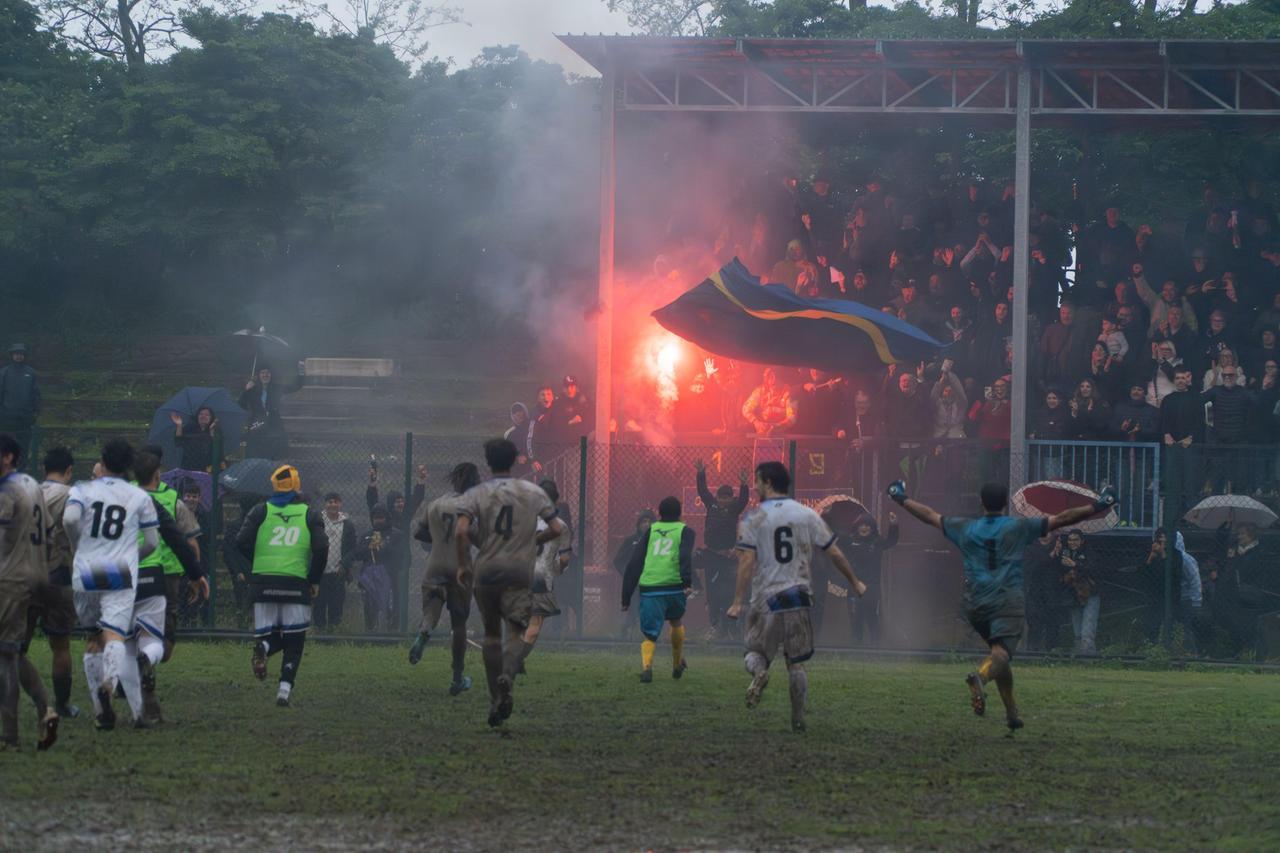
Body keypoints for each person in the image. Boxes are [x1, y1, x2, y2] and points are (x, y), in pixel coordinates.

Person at [888, 477, 1115, 731]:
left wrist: (900, 498)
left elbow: (929, 515)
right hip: (1007, 600)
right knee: (1001, 654)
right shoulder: (1017, 527)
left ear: (981, 503)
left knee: (1000, 654)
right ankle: (981, 678)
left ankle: (1011, 713)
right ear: (1006, 504)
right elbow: (1062, 518)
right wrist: (1098, 505)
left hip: (975, 602)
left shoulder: (965, 527)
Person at [727, 462, 866, 733]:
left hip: (765, 598)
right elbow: (834, 552)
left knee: (755, 654)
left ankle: (760, 674)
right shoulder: (807, 515)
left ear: (767, 482)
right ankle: (798, 718)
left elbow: (746, 561)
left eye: (756, 481)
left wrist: (737, 600)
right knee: (796, 663)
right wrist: (855, 582)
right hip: (797, 597)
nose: (755, 487)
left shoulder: (752, 518)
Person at [455, 439, 566, 728]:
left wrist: (465, 564)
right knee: (516, 633)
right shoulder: (532, 492)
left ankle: (495, 699)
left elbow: (462, 530)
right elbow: (556, 528)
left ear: (488, 461)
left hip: (487, 570)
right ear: (516, 459)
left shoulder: (476, 493)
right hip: (519, 570)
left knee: (492, 635)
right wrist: (531, 540)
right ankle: (509, 673)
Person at [63, 439, 159, 730]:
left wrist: (77, 546)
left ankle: (98, 707)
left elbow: (69, 519)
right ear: (128, 465)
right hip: (119, 571)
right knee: (115, 636)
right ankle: (109, 684)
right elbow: (153, 543)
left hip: (86, 568)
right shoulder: (139, 496)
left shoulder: (82, 489)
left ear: (102, 462)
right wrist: (132, 555)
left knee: (93, 638)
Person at [235, 464, 328, 707]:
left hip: (262, 583)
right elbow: (321, 548)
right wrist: (314, 579)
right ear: (297, 486)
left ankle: (263, 647)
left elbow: (241, 541)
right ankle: (283, 692)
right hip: (295, 583)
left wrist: (258, 560)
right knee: (294, 643)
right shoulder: (310, 514)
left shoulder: (259, 511)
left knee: (271, 636)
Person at [130, 450, 208, 723]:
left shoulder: (131, 495)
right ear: (157, 472)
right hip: (160, 575)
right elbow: (187, 540)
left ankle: (139, 683)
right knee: (158, 644)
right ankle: (145, 683)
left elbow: (188, 538)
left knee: (143, 640)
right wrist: (197, 574)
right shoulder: (164, 498)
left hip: (145, 574)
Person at [0, 433, 58, 750]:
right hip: (34, 575)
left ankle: (9, 736)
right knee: (12, 651)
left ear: (8, 456)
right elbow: (48, 531)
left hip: (9, 579)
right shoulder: (31, 484)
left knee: (6, 655)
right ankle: (45, 709)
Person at [409, 463, 482, 696]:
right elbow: (479, 538)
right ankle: (457, 678)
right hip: (460, 569)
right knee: (459, 626)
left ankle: (424, 633)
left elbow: (418, 532)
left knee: (431, 611)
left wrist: (440, 537)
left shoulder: (436, 503)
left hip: (435, 564)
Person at [621, 496, 695, 683]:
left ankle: (647, 668)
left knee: (649, 633)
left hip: (650, 587)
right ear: (680, 513)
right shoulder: (686, 531)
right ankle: (677, 662)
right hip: (674, 585)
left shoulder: (651, 531)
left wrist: (626, 596)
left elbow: (635, 563)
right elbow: (685, 556)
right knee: (676, 621)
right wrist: (687, 582)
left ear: (659, 514)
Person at [33, 447, 79, 719]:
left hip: (26, 571)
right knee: (60, 646)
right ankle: (61, 704)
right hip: (58, 572)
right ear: (70, 470)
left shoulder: (28, 491)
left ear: (43, 468)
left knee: (17, 646)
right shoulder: (71, 495)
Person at [694, 459, 749, 641]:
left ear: (730, 499)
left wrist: (743, 483)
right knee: (712, 593)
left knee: (730, 593)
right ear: (717, 498)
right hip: (711, 555)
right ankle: (715, 626)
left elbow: (743, 499)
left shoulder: (734, 508)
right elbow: (702, 491)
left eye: (726, 497)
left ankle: (731, 629)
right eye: (721, 497)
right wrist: (701, 473)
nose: (723, 500)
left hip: (728, 556)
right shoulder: (712, 505)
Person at [524, 480, 574, 667]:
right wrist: (559, 569)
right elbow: (564, 559)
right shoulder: (560, 526)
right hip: (540, 577)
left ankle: (515, 659)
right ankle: (514, 660)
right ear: (557, 501)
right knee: (535, 625)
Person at [841, 512, 899, 647]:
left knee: (872, 619)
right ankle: (855, 648)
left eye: (867, 525)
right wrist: (826, 517)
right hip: (854, 588)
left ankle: (874, 648)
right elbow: (833, 537)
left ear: (872, 528)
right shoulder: (850, 541)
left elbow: (891, 541)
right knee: (855, 620)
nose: (864, 528)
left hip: (872, 589)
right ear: (856, 527)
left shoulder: (877, 542)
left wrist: (893, 525)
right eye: (861, 525)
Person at [238, 365, 304, 460]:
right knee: (255, 452)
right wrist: (246, 391)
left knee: (275, 452)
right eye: (262, 373)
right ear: (258, 375)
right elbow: (241, 404)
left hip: (274, 424)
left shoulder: (276, 388)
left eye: (267, 373)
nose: (265, 375)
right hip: (257, 424)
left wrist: (301, 372)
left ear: (271, 375)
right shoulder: (252, 390)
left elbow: (295, 386)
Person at [313, 492, 356, 632]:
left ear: (340, 504)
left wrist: (345, 564)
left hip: (338, 572)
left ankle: (334, 631)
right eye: (330, 502)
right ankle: (319, 630)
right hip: (320, 571)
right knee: (319, 603)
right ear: (325, 504)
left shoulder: (347, 524)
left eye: (336, 502)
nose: (333, 504)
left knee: (336, 604)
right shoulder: (318, 521)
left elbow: (352, 548)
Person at [611, 510, 655, 640]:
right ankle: (624, 632)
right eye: (644, 522)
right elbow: (618, 560)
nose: (646, 524)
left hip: (652, 581)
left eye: (650, 521)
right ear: (638, 524)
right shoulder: (631, 540)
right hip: (635, 584)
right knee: (634, 608)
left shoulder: (658, 541)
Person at [1057, 529, 1099, 655]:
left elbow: (1093, 569)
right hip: (1074, 594)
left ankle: (1088, 656)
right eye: (1070, 540)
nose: (1072, 542)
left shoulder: (1089, 552)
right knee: (1077, 630)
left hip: (1090, 592)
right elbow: (1060, 572)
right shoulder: (1065, 552)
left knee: (1088, 629)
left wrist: (1075, 564)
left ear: (1082, 541)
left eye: (1075, 539)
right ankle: (1078, 656)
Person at [0, 345, 40, 461]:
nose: (18, 356)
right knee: (6, 447)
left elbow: (36, 395)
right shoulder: (4, 372)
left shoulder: (31, 373)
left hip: (25, 419)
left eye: (21, 353)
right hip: (6, 418)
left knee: (23, 448)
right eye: (16, 353)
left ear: (24, 356)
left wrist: (35, 413)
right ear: (12, 355)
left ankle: (21, 472)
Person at [741, 368, 797, 435]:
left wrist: (776, 427)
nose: (774, 380)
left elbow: (792, 418)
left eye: (777, 376)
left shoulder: (789, 393)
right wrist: (756, 422)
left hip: (782, 434)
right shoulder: (760, 391)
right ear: (766, 379)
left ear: (782, 378)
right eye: (771, 377)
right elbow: (746, 409)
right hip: (762, 433)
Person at [170, 406, 221, 472]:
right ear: (197, 416)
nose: (203, 416)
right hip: (188, 466)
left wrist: (211, 431)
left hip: (206, 468)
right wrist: (179, 425)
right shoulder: (190, 428)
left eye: (207, 415)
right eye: (201, 414)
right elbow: (178, 442)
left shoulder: (215, 431)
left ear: (211, 418)